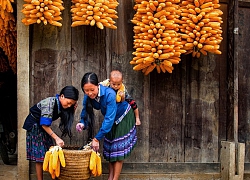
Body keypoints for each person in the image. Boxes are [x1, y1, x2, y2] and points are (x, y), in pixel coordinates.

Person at [76, 72, 137, 180]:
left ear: (98, 86)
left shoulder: (109, 94)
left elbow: (109, 119)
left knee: (117, 149)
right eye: (86, 90)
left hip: (123, 116)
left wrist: (96, 138)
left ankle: (115, 179)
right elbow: (85, 111)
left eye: (92, 90)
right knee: (110, 149)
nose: (89, 93)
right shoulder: (87, 96)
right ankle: (110, 177)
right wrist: (82, 122)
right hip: (112, 118)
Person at [22, 86, 79, 180]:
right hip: (35, 126)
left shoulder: (62, 106)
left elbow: (65, 120)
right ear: (62, 96)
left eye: (71, 104)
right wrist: (56, 138)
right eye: (69, 103)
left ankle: (54, 177)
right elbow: (44, 124)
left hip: (42, 126)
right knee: (40, 156)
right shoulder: (49, 103)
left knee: (50, 152)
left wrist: (72, 111)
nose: (69, 105)